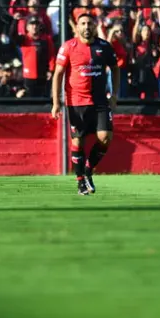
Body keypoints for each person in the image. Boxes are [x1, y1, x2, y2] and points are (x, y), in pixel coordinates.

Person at [52, 12, 120, 196]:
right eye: (82, 23)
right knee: (78, 142)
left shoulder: (104, 47)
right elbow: (58, 74)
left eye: (89, 23)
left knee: (105, 137)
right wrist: (56, 102)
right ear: (77, 26)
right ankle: (80, 181)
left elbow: (115, 69)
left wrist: (114, 95)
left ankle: (88, 169)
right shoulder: (68, 47)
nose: (86, 27)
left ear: (95, 25)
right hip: (76, 102)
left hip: (100, 101)